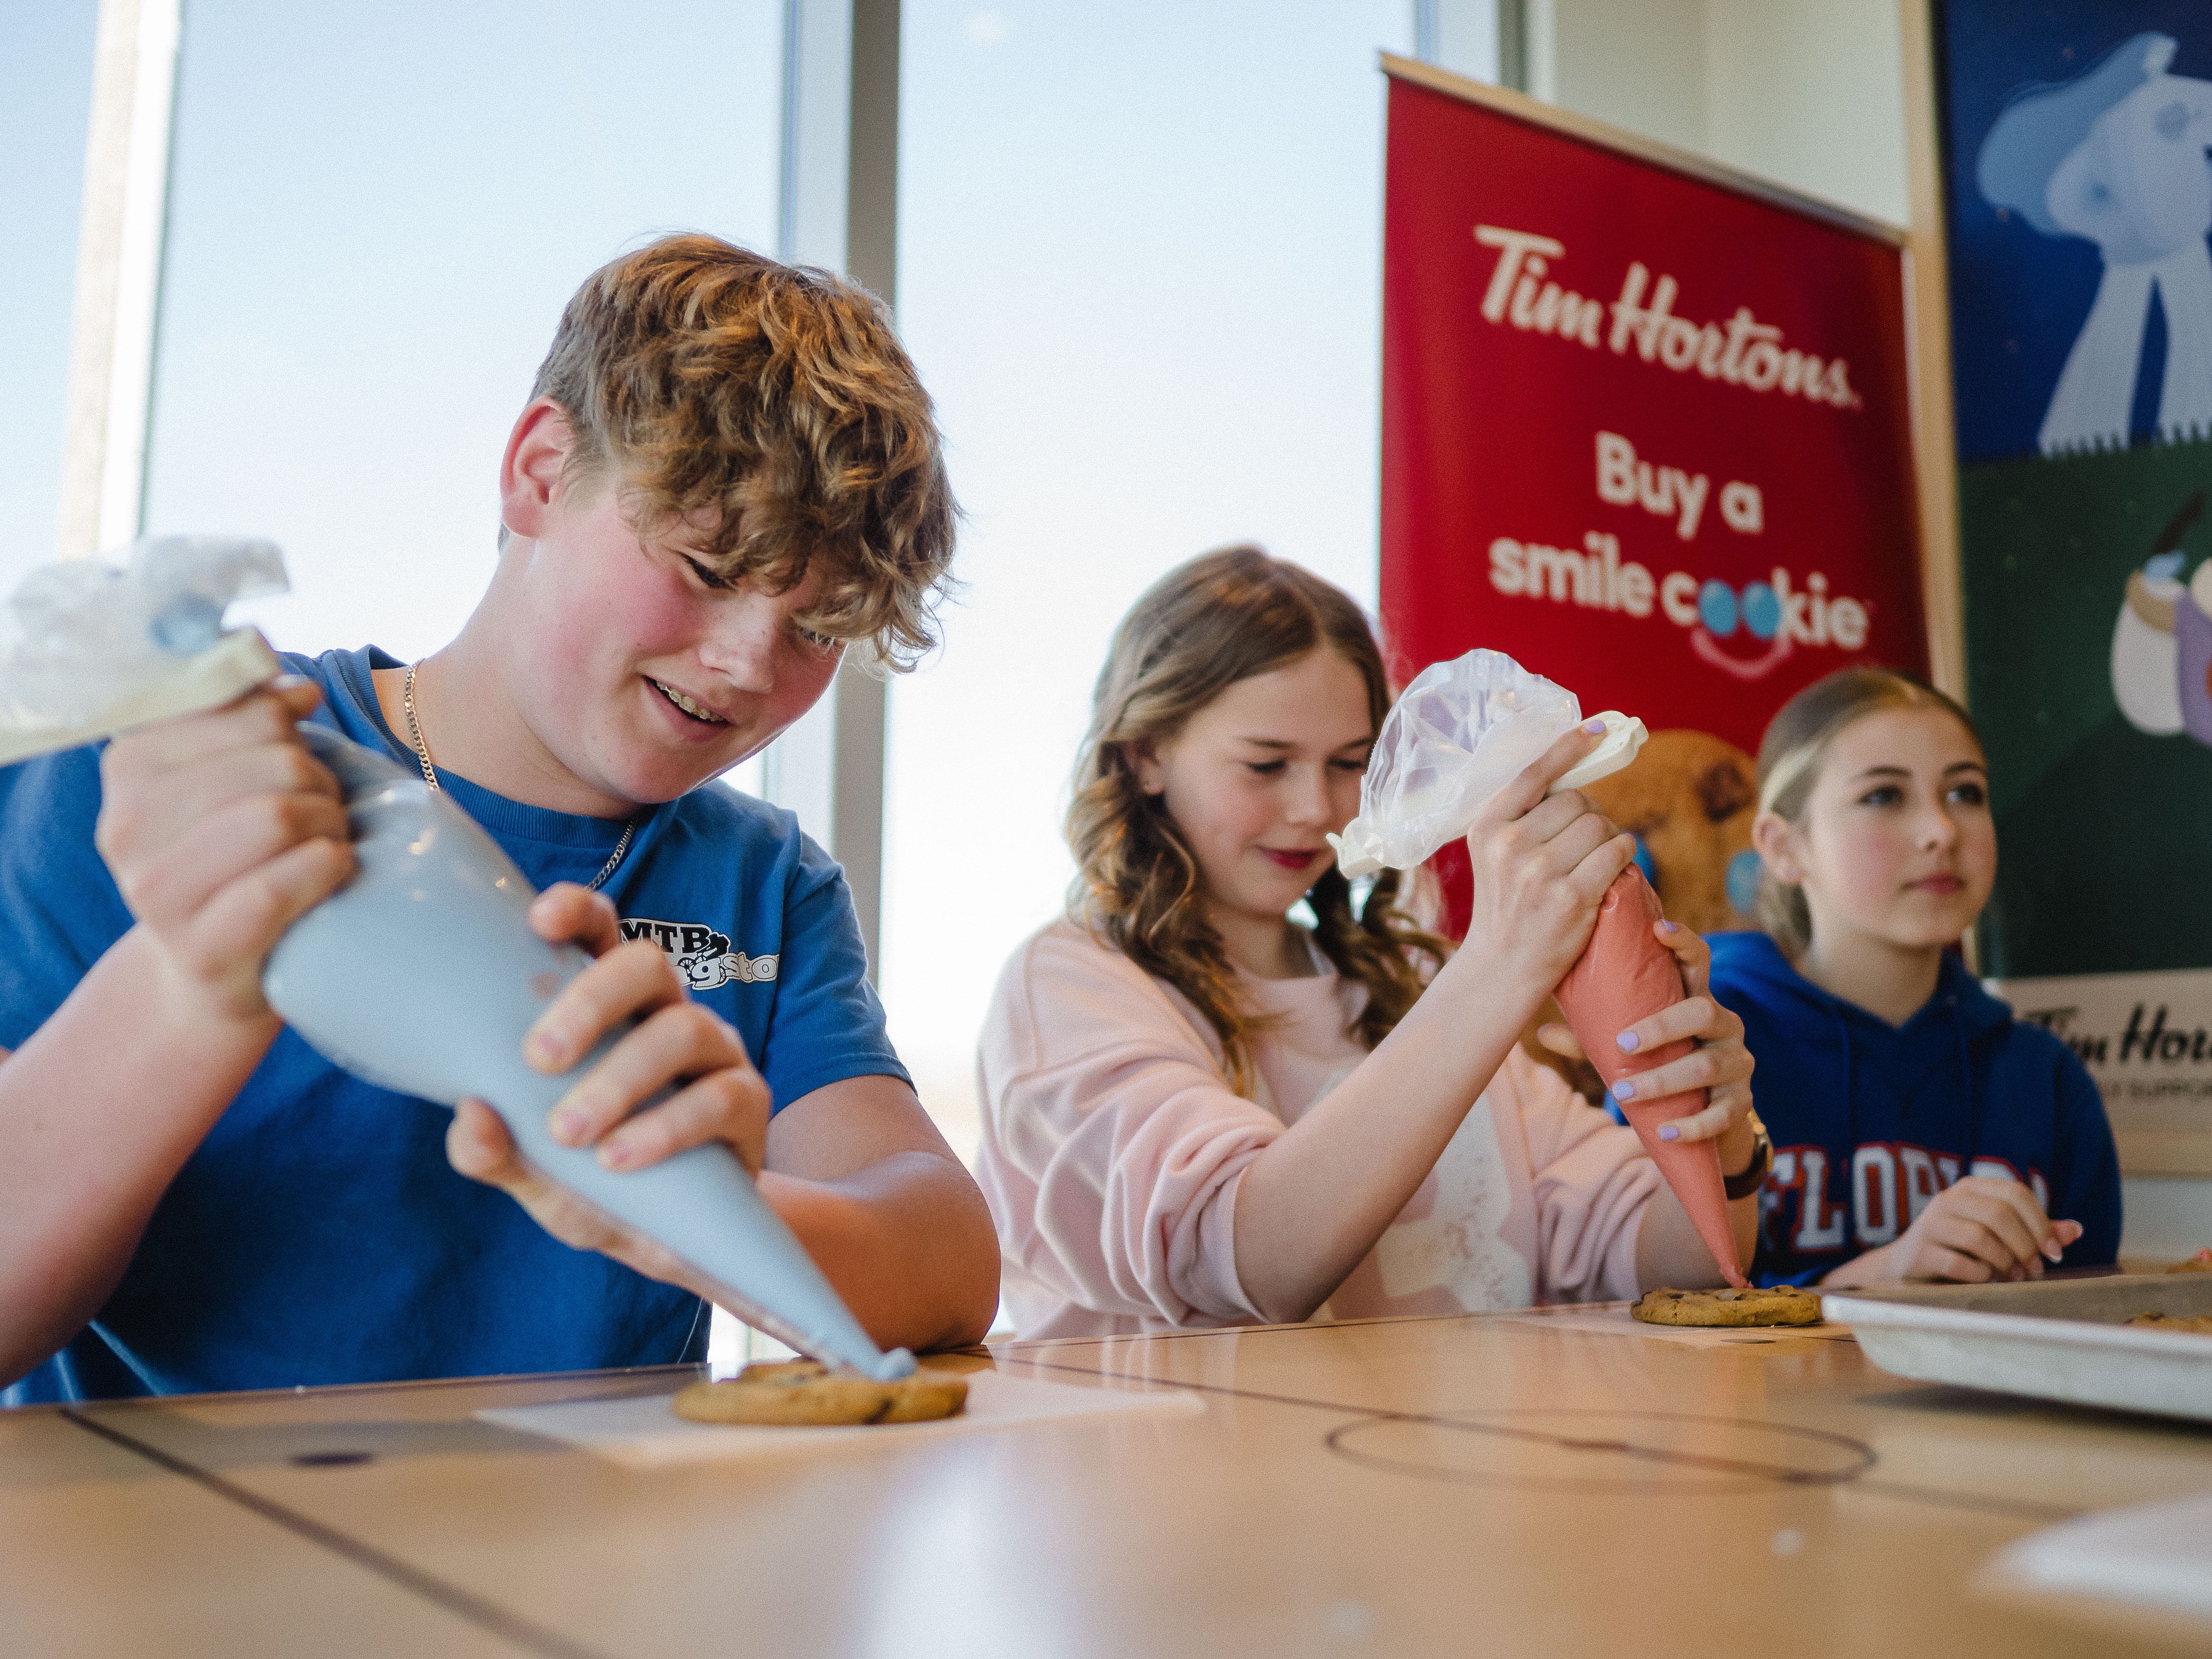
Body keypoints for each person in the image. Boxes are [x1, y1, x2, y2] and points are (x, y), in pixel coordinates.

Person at [0, 236, 998, 1402]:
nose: (745, 663)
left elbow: (946, 1258)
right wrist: (194, 981)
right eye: (710, 567)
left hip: (579, 1565)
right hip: (161, 1558)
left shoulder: (764, 883)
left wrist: (697, 1212)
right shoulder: (179, 768)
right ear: (539, 471)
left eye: (820, 631)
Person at [974, 546, 1767, 1339]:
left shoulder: (1416, 980)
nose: (1314, 805)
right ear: (1146, 754)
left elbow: (1672, 1262)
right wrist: (1502, 963)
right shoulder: (1072, 985)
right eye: (1266, 764)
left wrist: (1719, 1139)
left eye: (1350, 764)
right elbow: (1251, 1263)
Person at [1707, 667, 2120, 1288]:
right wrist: (1884, 1276)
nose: (1942, 831)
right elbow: (1645, 1322)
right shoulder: (1705, 1047)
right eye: (1883, 796)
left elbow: (2089, 1323)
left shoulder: (2046, 1077)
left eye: (1966, 793)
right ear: (1785, 847)